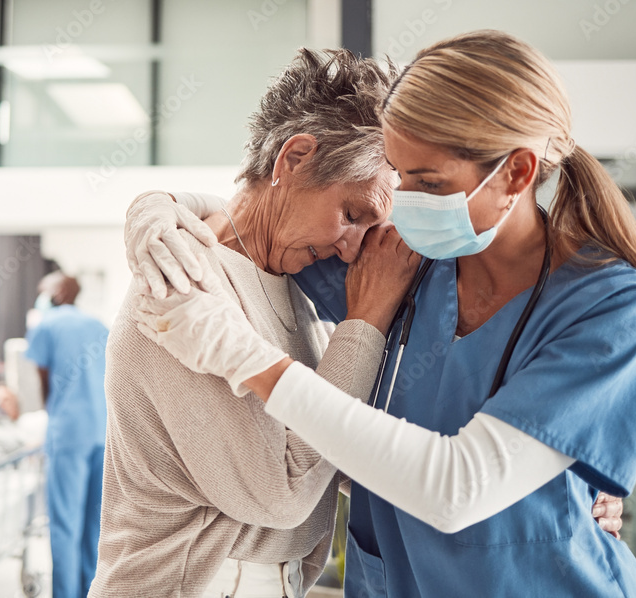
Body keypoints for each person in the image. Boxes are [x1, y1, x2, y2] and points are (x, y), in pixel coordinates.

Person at [132, 31, 636, 596]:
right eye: (399, 173)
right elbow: (258, 224)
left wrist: (246, 360)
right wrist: (158, 210)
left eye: (428, 182)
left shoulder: (612, 309)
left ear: (517, 174)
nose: (404, 200)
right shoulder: (405, 263)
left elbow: (457, 488)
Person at [90, 49, 410, 598]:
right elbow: (281, 491)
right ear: (294, 159)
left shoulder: (298, 286)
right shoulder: (183, 277)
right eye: (353, 214)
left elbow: (336, 453)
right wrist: (366, 320)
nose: (353, 246)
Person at [25, 271, 108, 598]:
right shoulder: (100, 326)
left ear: (57, 293)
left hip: (69, 433)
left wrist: (54, 411)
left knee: (63, 525)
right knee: (94, 527)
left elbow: (43, 384)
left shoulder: (46, 325)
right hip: (103, 432)